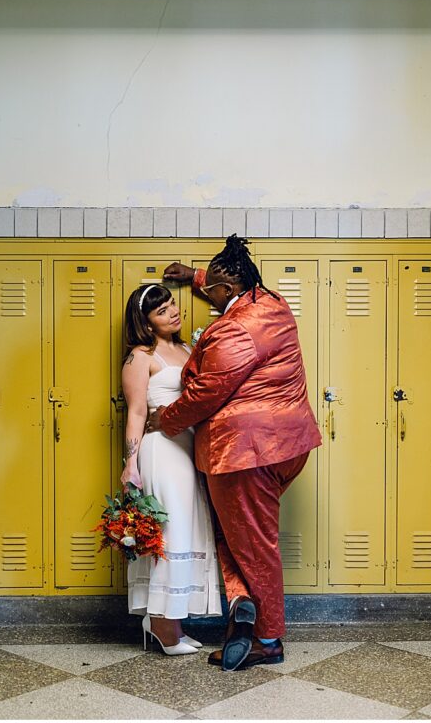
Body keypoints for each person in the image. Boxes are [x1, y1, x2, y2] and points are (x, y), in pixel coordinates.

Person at [146, 235, 322, 671]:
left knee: (253, 543)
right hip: (285, 444)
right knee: (238, 534)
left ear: (226, 291)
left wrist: (164, 419)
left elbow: (207, 392)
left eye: (213, 289)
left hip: (245, 452)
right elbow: (226, 284)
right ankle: (242, 607)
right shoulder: (272, 302)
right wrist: (194, 277)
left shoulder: (231, 330)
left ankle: (266, 638)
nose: (209, 295)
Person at [121, 283, 221, 656]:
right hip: (161, 449)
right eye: (162, 311)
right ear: (146, 323)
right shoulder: (139, 357)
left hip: (190, 447)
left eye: (173, 304)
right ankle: (162, 626)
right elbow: (136, 412)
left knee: (189, 528)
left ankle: (172, 621)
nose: (173, 313)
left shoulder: (186, 349)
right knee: (171, 530)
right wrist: (130, 463)